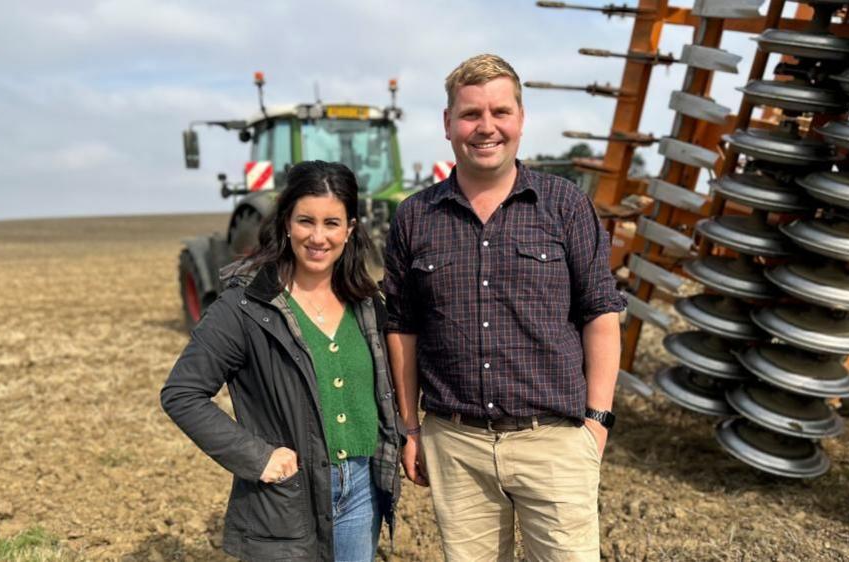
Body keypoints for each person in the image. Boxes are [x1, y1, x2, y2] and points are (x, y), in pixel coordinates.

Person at [383, 54, 626, 561]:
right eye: (471, 114)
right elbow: (402, 329)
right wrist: (410, 428)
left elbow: (600, 312)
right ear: (448, 124)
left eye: (500, 112)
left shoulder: (564, 204)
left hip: (554, 440)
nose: (486, 127)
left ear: (521, 119)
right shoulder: (415, 217)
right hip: (456, 444)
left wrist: (597, 421)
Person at [161, 160, 402, 562]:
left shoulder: (365, 304)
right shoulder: (245, 307)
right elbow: (182, 393)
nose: (318, 237)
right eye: (306, 221)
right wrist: (257, 456)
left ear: (351, 229)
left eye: (332, 223)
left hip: (362, 491)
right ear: (286, 223)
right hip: (287, 497)